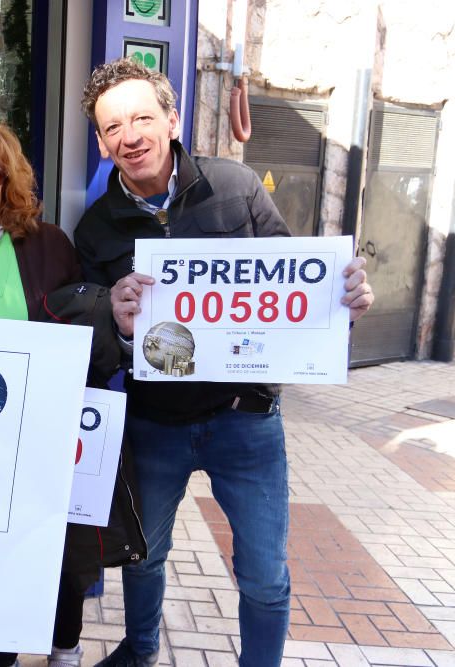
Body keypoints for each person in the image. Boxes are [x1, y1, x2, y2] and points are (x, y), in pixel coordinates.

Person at [73, 58, 375, 667]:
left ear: (172, 119)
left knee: (263, 572)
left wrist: (342, 303)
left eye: (141, 117)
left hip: (247, 421)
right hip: (154, 423)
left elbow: (296, 285)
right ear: (101, 141)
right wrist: (115, 315)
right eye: (112, 127)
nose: (129, 136)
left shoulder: (234, 187)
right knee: (145, 556)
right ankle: (139, 650)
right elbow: (100, 341)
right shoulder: (97, 228)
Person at [0, 118, 142, 667]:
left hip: (33, 447)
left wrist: (122, 324)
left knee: (52, 561)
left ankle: (59, 648)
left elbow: (90, 346)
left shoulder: (48, 246)